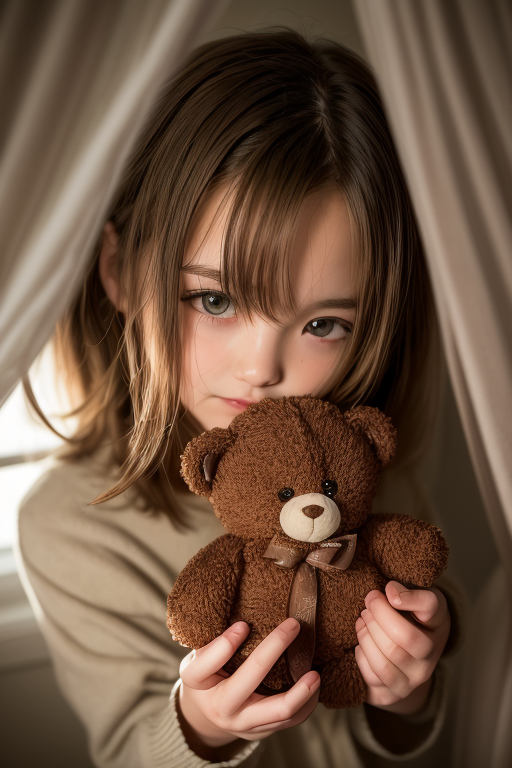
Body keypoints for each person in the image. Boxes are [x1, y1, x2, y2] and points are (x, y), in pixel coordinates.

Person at [16, 29, 464, 768]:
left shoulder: (363, 468)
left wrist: (410, 693)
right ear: (122, 273)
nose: (262, 369)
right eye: (215, 299)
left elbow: (402, 738)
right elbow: (129, 751)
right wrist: (202, 725)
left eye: (323, 323)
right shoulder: (70, 527)